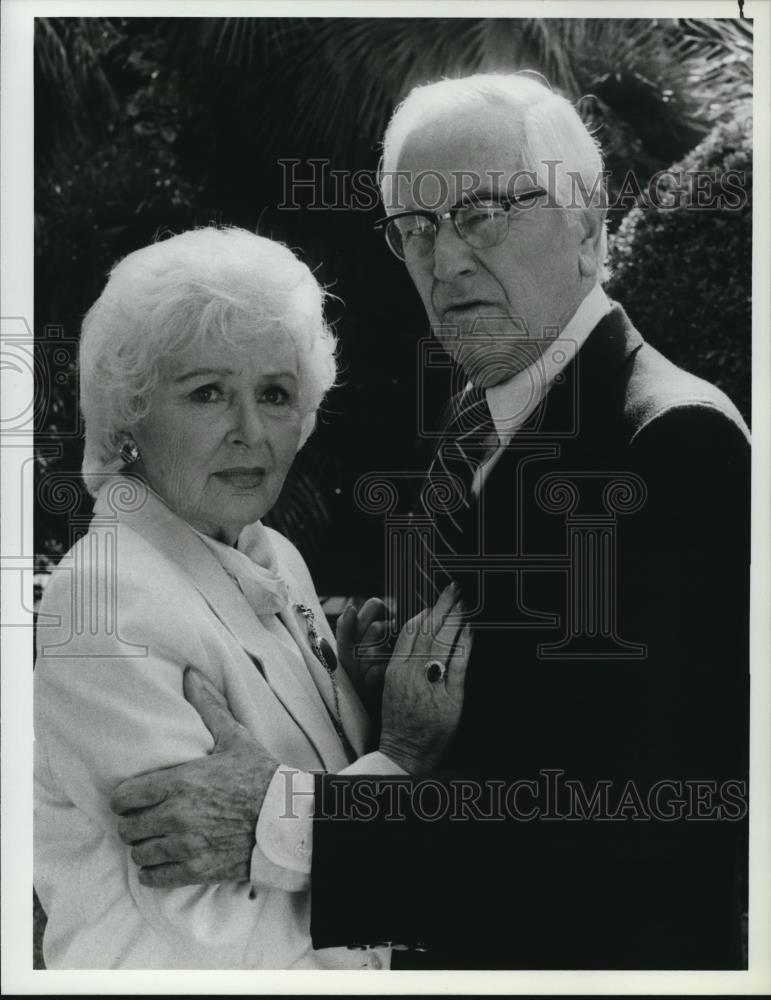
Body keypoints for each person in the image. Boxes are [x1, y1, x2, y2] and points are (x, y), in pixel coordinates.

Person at [111, 75, 751, 969]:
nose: (442, 259)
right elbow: (509, 732)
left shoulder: (672, 445)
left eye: (480, 212)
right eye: (413, 229)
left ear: (590, 229)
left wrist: (288, 821)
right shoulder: (478, 424)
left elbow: (628, 829)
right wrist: (373, 698)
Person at [33, 225, 472, 969]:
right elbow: (213, 922)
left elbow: (283, 801)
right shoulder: (103, 601)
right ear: (130, 411)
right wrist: (399, 758)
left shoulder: (269, 553)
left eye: (274, 394)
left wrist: (358, 708)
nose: (250, 432)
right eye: (207, 392)